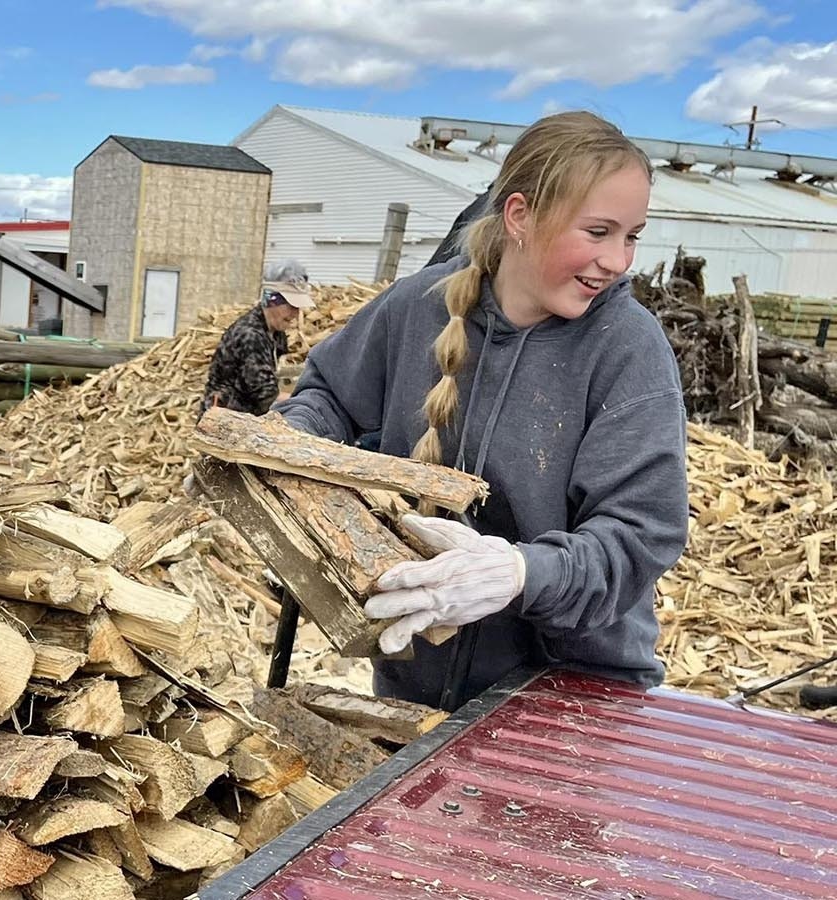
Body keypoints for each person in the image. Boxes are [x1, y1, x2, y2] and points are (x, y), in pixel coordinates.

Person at [274, 111, 688, 712]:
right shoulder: (418, 306)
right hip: (413, 676)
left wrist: (521, 574)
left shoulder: (627, 348)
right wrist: (276, 447)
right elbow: (328, 399)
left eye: (632, 236)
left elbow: (639, 536)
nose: (619, 260)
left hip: (569, 691)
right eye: (598, 232)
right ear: (519, 216)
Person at [201, 279, 311, 416]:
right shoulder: (251, 335)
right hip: (226, 414)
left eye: (298, 309)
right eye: (291, 307)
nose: (295, 315)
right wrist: (303, 402)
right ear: (271, 301)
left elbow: (276, 371)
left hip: (247, 414)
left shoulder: (275, 333)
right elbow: (264, 393)